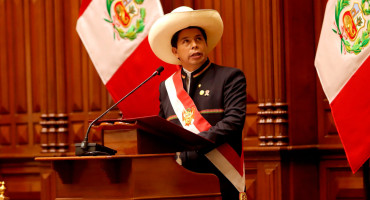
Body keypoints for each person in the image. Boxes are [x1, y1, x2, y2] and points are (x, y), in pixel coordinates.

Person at [148, 6, 247, 200]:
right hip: (180, 179)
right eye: (186, 41)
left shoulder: (230, 77)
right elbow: (163, 132)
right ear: (175, 51)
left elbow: (234, 121)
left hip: (220, 177)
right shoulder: (166, 87)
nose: (194, 45)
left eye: (198, 39)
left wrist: (195, 142)